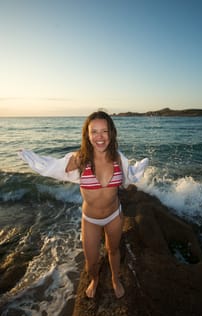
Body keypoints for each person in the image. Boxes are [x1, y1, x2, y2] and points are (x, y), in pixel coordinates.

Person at [19, 111, 148, 299]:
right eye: (94, 132)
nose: (100, 137)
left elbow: (129, 175)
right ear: (87, 135)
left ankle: (115, 279)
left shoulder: (118, 158)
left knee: (113, 250)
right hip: (91, 220)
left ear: (111, 133)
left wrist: (138, 170)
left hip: (114, 215)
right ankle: (95, 279)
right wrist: (35, 161)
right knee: (91, 261)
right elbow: (54, 167)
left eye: (104, 131)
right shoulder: (81, 159)